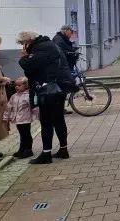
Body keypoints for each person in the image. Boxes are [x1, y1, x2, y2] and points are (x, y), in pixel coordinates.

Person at [17, 30, 76, 165]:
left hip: (48, 90)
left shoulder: (41, 48)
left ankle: (46, 154)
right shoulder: (49, 45)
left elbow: (29, 67)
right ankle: (63, 149)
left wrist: (24, 57)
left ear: (28, 41)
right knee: (59, 120)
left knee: (47, 122)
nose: (22, 47)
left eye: (22, 43)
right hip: (59, 87)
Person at [2, 77, 39, 159]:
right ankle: (22, 149)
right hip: (17, 119)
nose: (16, 87)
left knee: (26, 134)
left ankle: (28, 150)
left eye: (19, 85)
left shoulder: (28, 96)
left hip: (25, 119)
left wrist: (36, 116)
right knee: (22, 134)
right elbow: (9, 107)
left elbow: (34, 107)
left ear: (26, 86)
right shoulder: (14, 96)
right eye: (16, 85)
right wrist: (6, 117)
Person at [52, 26, 77, 115]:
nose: (72, 33)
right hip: (61, 68)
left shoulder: (62, 38)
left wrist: (72, 51)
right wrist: (70, 53)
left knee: (64, 87)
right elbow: (60, 52)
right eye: (71, 31)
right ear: (65, 31)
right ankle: (59, 109)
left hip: (64, 66)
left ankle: (60, 108)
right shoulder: (59, 39)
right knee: (63, 86)